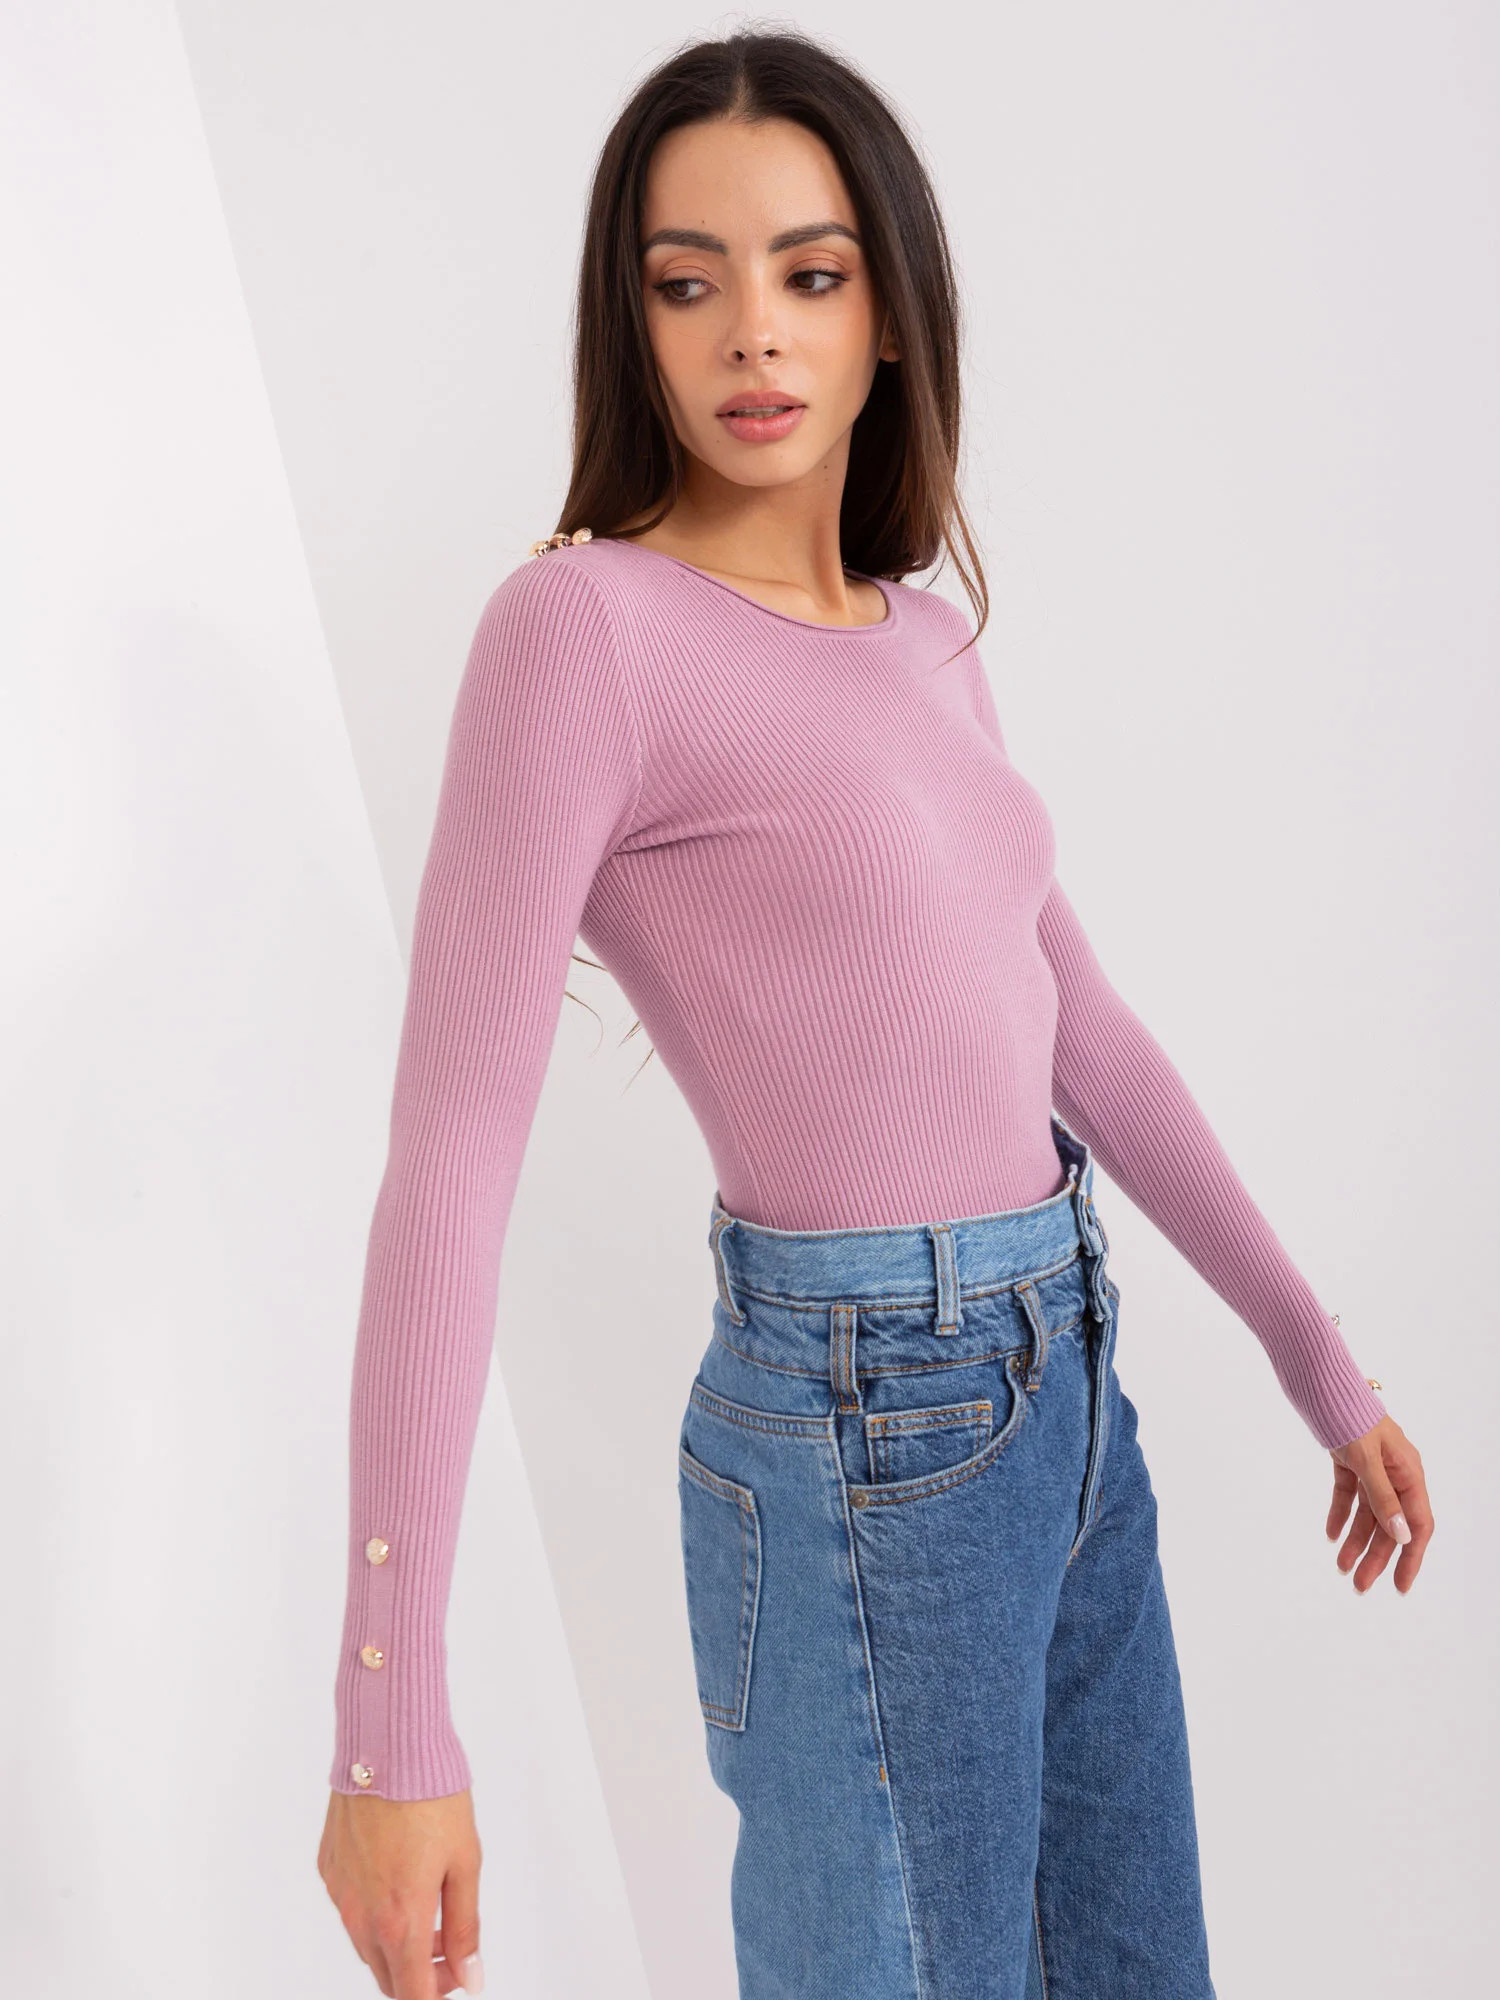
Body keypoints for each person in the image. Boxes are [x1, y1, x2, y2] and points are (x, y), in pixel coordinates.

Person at [317, 28, 1433, 2000]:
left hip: (1069, 1385)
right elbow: (449, 1164)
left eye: (810, 273)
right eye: (689, 281)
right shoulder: (585, 632)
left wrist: (1315, 1359)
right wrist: (389, 1726)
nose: (753, 329)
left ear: (888, 314)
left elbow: (1080, 1025)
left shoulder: (923, 637)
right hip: (866, 1425)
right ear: (635, 323)